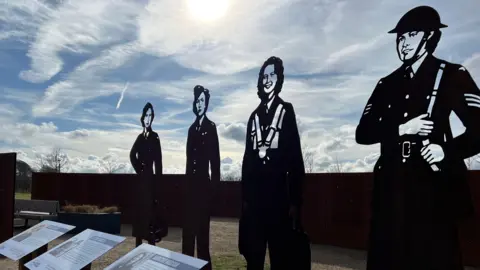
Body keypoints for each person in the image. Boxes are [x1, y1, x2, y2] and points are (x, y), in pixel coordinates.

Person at [355, 6, 480, 270]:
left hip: (432, 191)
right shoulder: (386, 84)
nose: (403, 43)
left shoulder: (451, 75)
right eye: (399, 37)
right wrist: (402, 128)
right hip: (390, 191)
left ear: (430, 36)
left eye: (411, 34)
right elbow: (363, 133)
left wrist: (446, 150)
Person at [239, 56, 305, 269]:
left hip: (279, 201)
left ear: (279, 79)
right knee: (254, 260)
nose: (267, 80)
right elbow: (247, 160)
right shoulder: (253, 116)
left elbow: (295, 157)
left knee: (281, 260)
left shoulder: (286, 111)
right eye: (264, 76)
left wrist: (295, 201)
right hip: (256, 203)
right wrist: (245, 198)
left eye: (272, 75)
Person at [182, 85, 220, 270]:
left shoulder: (211, 127)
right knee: (187, 236)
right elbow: (189, 161)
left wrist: (213, 190)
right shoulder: (191, 129)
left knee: (202, 238)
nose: (199, 104)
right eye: (197, 101)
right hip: (190, 190)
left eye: (202, 101)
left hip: (203, 189)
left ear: (207, 104)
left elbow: (216, 161)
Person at [130, 102, 164, 247]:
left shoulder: (155, 137)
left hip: (151, 180)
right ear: (142, 118)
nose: (148, 118)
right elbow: (132, 155)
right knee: (140, 212)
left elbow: (159, 162)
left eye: (150, 115)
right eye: (146, 115)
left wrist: (158, 182)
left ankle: (151, 244)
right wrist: (140, 168)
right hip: (141, 180)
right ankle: (138, 243)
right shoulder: (139, 137)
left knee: (151, 213)